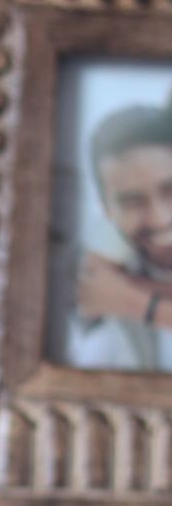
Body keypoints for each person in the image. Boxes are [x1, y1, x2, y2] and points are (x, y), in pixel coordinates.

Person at [64, 102, 172, 371]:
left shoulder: (114, 292)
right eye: (133, 202)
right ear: (107, 209)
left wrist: (138, 303)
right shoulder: (105, 328)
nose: (161, 218)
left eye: (171, 190)